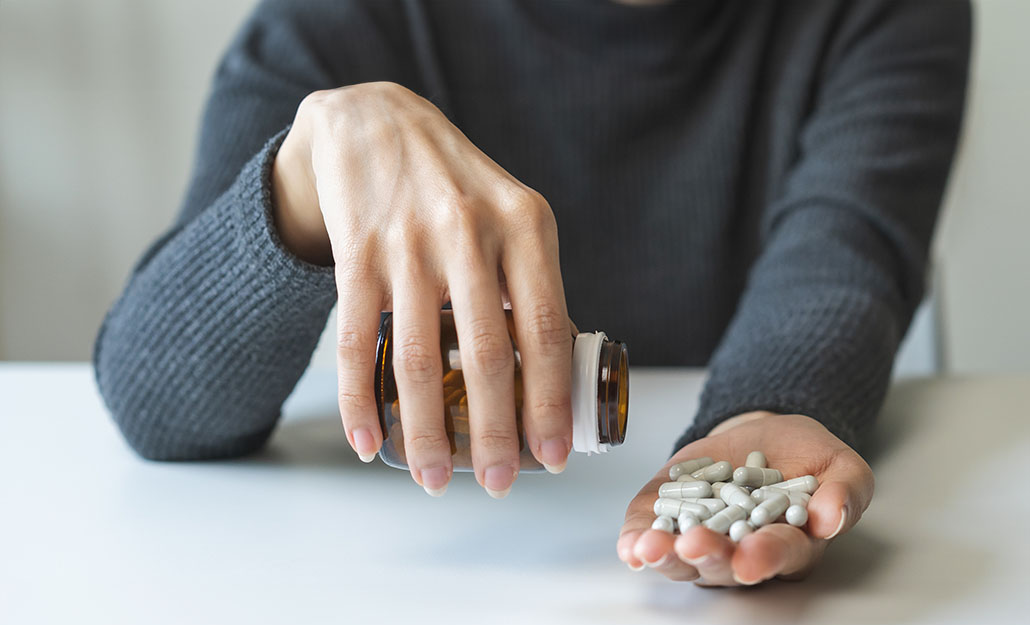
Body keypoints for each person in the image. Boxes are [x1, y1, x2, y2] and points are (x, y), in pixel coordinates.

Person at [94, 0, 970, 586]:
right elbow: (156, 400)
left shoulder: (886, 14)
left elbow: (843, 254)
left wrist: (777, 405)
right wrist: (304, 174)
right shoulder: (346, 16)